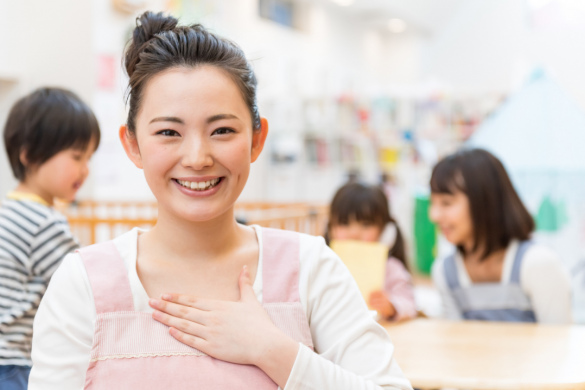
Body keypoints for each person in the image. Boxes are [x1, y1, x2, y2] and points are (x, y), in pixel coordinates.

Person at [29, 12, 412, 390]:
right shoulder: (82, 284)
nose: (197, 157)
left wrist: (273, 350)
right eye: (168, 132)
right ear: (133, 145)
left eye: (222, 130)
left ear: (256, 140)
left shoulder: (310, 268)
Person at [0, 87, 100, 389]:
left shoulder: (8, 209)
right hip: (14, 363)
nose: (85, 170)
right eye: (76, 156)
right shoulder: (44, 222)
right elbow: (89, 283)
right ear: (30, 155)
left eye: (89, 158)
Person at [429, 148, 572, 323]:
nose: (434, 215)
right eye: (433, 202)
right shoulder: (445, 272)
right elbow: (452, 342)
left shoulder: (537, 264)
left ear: (484, 202)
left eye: (446, 203)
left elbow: (560, 343)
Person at [325, 182, 417, 321]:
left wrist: (392, 306)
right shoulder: (325, 266)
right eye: (344, 223)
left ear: (386, 231)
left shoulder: (391, 268)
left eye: (366, 225)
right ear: (330, 228)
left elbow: (410, 306)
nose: (354, 233)